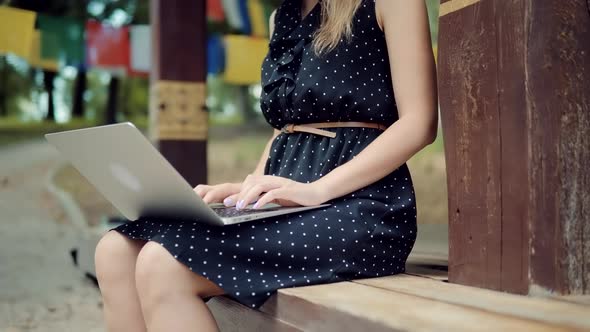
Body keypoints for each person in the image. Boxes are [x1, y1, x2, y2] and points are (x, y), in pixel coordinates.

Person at [94, 0, 438, 330]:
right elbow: (286, 129)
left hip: (360, 206)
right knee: (115, 251)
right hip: (284, 201)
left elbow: (419, 123)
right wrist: (248, 187)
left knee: (164, 264)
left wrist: (317, 190)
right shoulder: (282, 17)